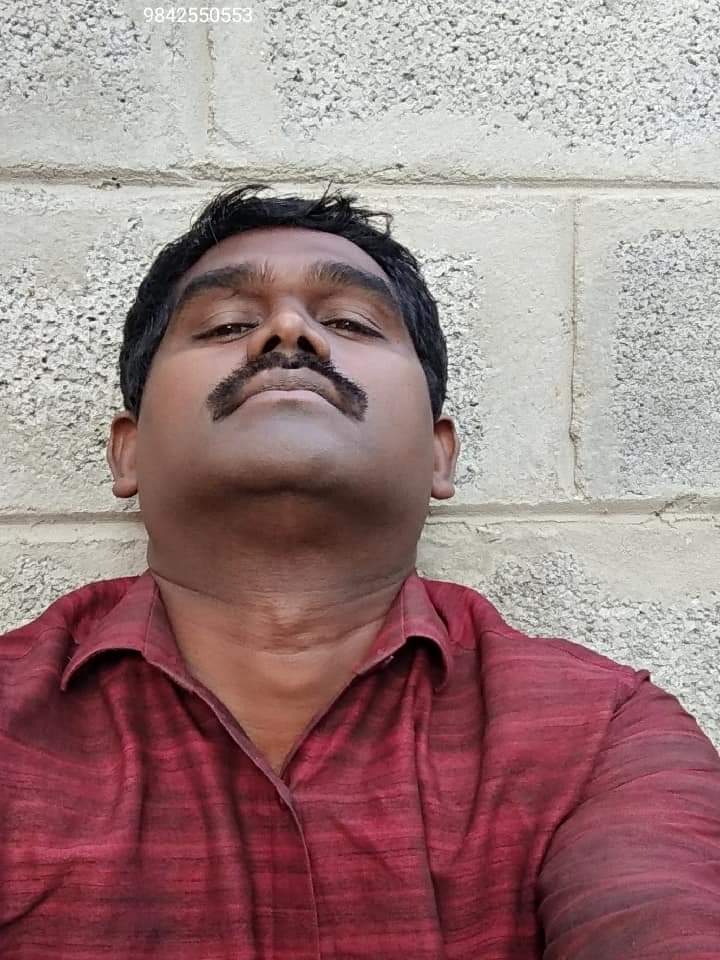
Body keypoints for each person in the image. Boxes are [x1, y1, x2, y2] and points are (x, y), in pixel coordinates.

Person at [1, 184, 719, 959]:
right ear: (129, 451)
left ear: (439, 455)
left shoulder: (602, 734)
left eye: (349, 322)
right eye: (227, 324)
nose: (287, 332)